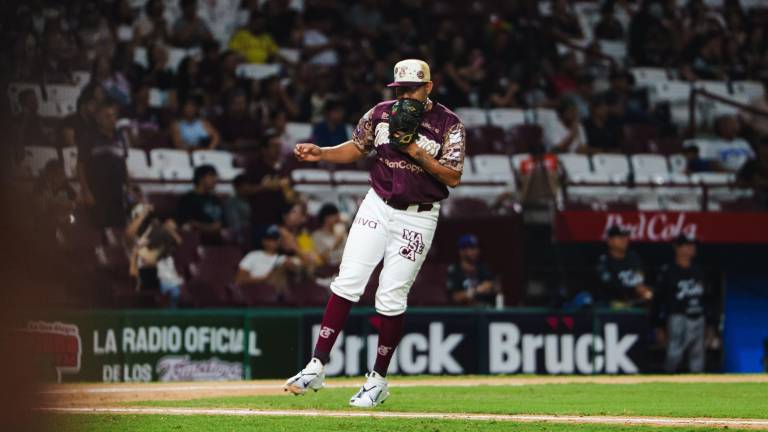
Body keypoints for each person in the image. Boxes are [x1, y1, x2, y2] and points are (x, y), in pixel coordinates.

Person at [284, 59, 465, 408]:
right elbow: (357, 147)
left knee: (390, 297)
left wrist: (413, 150)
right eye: (399, 90)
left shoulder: (449, 125)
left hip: (419, 216)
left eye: (412, 89)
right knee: (348, 280)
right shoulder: (382, 113)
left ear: (429, 86)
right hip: (378, 204)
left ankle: (378, 380)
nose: (405, 96)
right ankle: (316, 365)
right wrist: (322, 153)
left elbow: (452, 176)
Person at [653, 234, 713, 373]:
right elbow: (658, 300)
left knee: (698, 357)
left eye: (693, 245)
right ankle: (666, 386)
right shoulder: (669, 271)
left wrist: (710, 324)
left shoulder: (698, 270)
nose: (692, 248)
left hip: (698, 316)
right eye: (687, 245)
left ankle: (697, 389)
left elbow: (708, 299)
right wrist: (658, 326)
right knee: (674, 354)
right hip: (677, 317)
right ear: (677, 248)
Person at [76, 100, 129, 228]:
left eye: (114, 116)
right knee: (98, 230)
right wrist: (86, 191)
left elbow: (123, 163)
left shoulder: (121, 137)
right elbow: (80, 166)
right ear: (98, 119)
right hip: (97, 192)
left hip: (117, 192)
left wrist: (128, 185)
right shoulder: (88, 137)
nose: (112, 120)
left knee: (119, 228)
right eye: (107, 116)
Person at [593, 225, 653, 307]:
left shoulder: (633, 257)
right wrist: (634, 289)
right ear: (610, 241)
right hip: (610, 306)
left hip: (633, 304)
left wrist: (644, 290)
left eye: (626, 237)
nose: (625, 240)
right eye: (620, 237)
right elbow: (609, 286)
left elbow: (640, 278)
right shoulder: (604, 261)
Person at [235, 225, 299, 291]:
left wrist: (295, 249)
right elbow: (239, 280)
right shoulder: (253, 255)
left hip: (279, 293)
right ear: (264, 241)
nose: (275, 242)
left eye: (277, 239)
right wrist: (265, 278)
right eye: (271, 239)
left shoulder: (284, 258)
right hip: (255, 292)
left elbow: (304, 268)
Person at [446, 234, 499, 307]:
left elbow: (490, 286)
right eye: (471, 248)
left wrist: (487, 288)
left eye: (476, 248)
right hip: (461, 313)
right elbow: (455, 297)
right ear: (461, 251)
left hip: (484, 311)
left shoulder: (483, 267)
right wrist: (476, 291)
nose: (475, 251)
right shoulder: (454, 270)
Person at [176, 165, 224, 242]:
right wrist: (209, 228)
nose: (215, 179)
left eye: (215, 176)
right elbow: (187, 223)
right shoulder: (188, 199)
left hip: (218, 239)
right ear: (200, 178)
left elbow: (222, 221)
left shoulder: (215, 199)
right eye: (211, 176)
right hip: (198, 239)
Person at [311, 203, 347, 267]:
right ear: (326, 218)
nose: (337, 218)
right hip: (329, 270)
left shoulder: (340, 232)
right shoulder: (317, 235)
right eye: (335, 216)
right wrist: (336, 243)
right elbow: (323, 258)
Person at [223, 174, 253, 244]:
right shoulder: (231, 202)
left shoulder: (254, 200)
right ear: (237, 187)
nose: (249, 189)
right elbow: (234, 224)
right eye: (245, 186)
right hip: (241, 235)